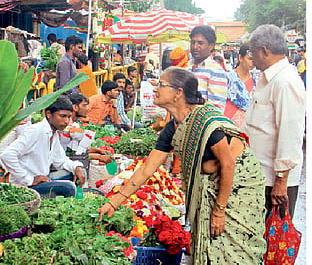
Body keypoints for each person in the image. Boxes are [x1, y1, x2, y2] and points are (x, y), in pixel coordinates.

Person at [98, 66, 266, 264]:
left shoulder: (207, 122)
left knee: (234, 248)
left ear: (178, 93)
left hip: (237, 186)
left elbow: (228, 165)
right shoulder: (174, 126)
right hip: (213, 184)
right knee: (210, 244)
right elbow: (146, 168)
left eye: (161, 85)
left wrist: (219, 211)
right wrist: (114, 202)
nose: (155, 89)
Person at [242, 24, 306, 219]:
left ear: (264, 51)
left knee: (274, 241)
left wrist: (281, 180)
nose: (251, 57)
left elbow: (290, 134)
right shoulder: (267, 77)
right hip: (259, 175)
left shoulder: (285, 81)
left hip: (274, 182)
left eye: (252, 52)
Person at [0, 97, 86, 197]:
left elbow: (61, 161)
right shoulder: (36, 131)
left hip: (43, 179)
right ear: (49, 114)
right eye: (62, 116)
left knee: (79, 172)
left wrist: (77, 167)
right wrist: (29, 179)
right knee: (68, 187)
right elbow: (7, 155)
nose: (66, 121)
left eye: (68, 117)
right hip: (27, 186)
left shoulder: (53, 134)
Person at [188, 25, 228, 113]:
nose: (195, 46)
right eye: (193, 42)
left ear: (211, 46)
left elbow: (216, 109)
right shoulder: (187, 66)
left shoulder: (215, 71)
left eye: (200, 43)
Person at [68, 93, 114, 165]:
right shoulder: (67, 126)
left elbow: (79, 149)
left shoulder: (76, 123)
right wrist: (99, 157)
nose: (87, 108)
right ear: (75, 107)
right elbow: (73, 154)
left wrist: (97, 150)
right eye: (84, 105)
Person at [224, 43, 256, 128]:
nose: (253, 63)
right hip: (229, 123)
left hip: (249, 126)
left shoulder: (257, 80)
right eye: (250, 59)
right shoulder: (228, 78)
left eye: (255, 60)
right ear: (240, 58)